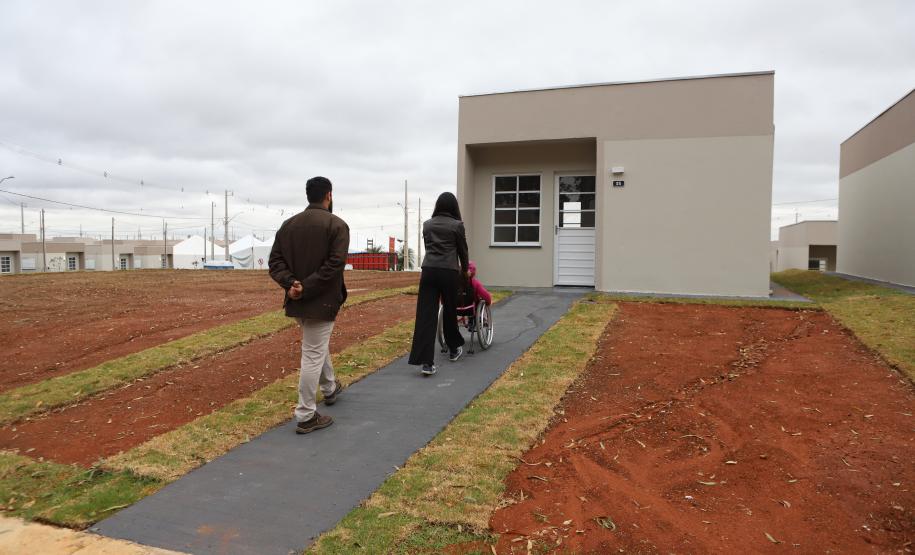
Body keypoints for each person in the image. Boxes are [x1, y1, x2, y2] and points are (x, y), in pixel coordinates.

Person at [268, 176, 349, 434]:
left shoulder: (288, 225)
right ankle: (305, 414)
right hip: (321, 301)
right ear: (329, 195)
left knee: (315, 345)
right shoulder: (337, 225)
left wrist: (291, 283)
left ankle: (329, 387)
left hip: (297, 300)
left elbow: (275, 262)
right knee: (313, 353)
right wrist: (307, 286)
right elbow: (334, 265)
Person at [408, 192, 469, 376]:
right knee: (450, 310)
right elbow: (463, 252)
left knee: (426, 315)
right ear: (454, 207)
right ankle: (453, 348)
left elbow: (429, 248)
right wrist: (465, 270)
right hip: (449, 272)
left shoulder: (427, 225)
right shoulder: (457, 226)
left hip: (428, 270)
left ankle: (427, 363)